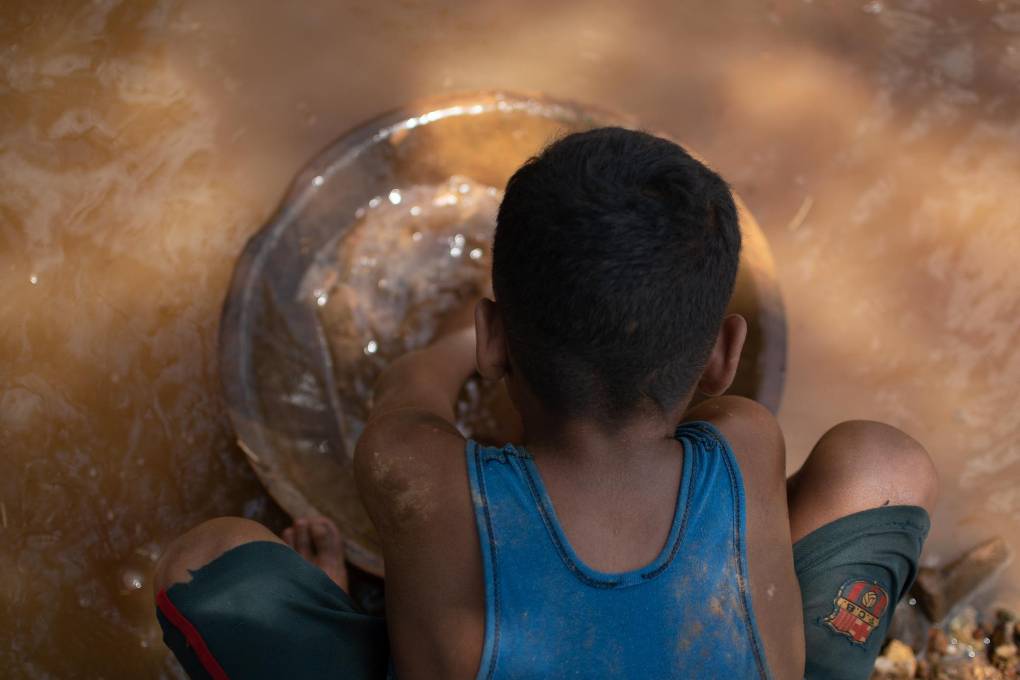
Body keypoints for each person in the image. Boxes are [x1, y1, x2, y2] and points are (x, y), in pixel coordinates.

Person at [154, 127, 938, 679]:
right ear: (725, 356)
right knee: (885, 463)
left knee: (206, 566)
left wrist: (468, 347)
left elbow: (409, 392)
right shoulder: (745, 440)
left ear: (494, 338)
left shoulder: (422, 476)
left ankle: (342, 615)